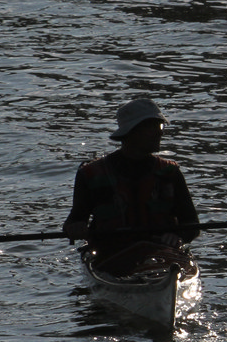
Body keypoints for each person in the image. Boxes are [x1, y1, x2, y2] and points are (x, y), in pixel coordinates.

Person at [63, 97, 200, 275]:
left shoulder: (170, 172)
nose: (159, 134)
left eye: (160, 127)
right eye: (152, 128)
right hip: (111, 256)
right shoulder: (90, 174)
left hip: (162, 255)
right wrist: (75, 228)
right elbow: (74, 219)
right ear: (131, 132)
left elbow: (191, 224)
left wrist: (178, 236)